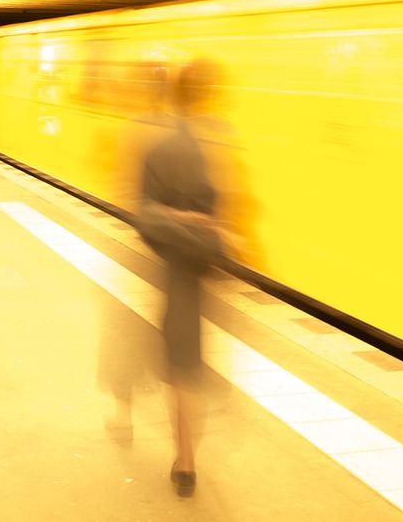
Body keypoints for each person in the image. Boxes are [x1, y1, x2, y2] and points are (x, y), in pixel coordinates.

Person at [134, 57, 239, 499]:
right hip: (214, 264)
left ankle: (186, 460)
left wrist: (181, 219)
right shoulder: (224, 141)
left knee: (182, 365)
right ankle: (187, 455)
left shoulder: (163, 146)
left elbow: (144, 212)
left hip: (180, 266)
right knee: (192, 365)